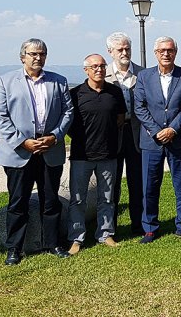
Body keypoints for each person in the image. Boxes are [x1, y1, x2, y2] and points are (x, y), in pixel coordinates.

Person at [0, 38, 74, 265]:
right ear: (22, 57)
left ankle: (53, 243)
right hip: (19, 152)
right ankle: (14, 249)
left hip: (50, 149)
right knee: (18, 202)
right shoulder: (5, 81)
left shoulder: (58, 81)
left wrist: (55, 136)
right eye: (33, 54)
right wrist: (22, 141)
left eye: (42, 54)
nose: (38, 58)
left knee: (50, 201)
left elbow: (68, 112)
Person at [134, 36, 181, 242]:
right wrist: (156, 131)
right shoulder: (144, 76)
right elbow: (140, 107)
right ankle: (150, 227)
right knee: (149, 186)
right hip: (152, 141)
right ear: (155, 53)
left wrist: (172, 129)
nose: (166, 54)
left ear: (175, 52)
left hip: (178, 139)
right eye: (162, 51)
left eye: (170, 50)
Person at [67, 54, 126, 255]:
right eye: (94, 66)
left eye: (102, 66)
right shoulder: (75, 94)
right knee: (78, 199)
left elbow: (120, 118)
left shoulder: (115, 93)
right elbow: (69, 124)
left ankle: (105, 233)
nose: (99, 69)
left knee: (107, 198)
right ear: (86, 70)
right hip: (81, 155)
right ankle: (76, 237)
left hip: (109, 154)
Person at [104, 31, 145, 235]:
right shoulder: (103, 76)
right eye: (119, 49)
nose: (124, 52)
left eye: (127, 48)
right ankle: (110, 227)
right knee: (111, 182)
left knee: (137, 180)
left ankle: (139, 224)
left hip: (137, 133)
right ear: (110, 51)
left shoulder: (143, 73)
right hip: (113, 134)